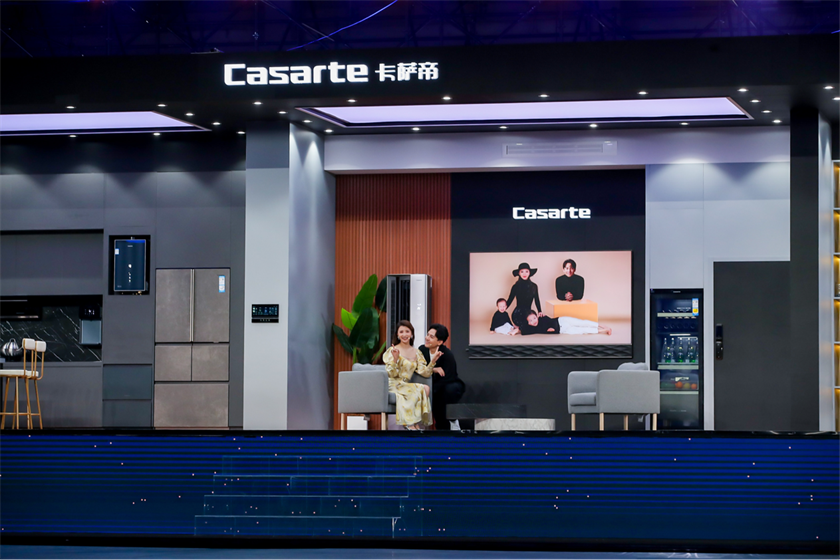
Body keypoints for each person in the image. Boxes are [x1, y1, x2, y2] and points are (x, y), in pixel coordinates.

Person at [382, 320, 439, 430]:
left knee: (426, 388)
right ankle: (410, 424)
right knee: (414, 391)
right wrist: (395, 359)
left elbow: (425, 373)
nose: (404, 334)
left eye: (407, 331)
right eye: (401, 332)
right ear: (397, 335)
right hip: (393, 384)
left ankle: (415, 422)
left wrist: (433, 361)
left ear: (411, 334)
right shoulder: (392, 350)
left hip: (405, 384)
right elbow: (391, 373)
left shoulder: (417, 352)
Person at [419, 324, 466, 431]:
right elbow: (419, 368)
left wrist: (433, 387)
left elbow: (448, 377)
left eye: (431, 337)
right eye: (427, 335)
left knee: (444, 392)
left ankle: (452, 422)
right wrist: (433, 369)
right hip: (429, 384)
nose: (427, 338)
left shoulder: (447, 355)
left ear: (439, 342)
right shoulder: (421, 350)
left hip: (447, 384)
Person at [506, 262, 544, 328]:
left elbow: (537, 300)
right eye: (522, 272)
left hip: (529, 314)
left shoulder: (534, 286)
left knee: (540, 322)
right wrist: (502, 309)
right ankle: (519, 329)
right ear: (519, 273)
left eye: (526, 271)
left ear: (529, 273)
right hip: (518, 314)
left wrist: (540, 311)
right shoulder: (515, 286)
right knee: (527, 327)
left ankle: (518, 329)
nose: (524, 274)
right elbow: (510, 300)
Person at [520, 310, 612, 336]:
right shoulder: (533, 329)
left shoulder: (542, 318)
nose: (534, 321)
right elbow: (524, 332)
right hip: (563, 330)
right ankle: (603, 330)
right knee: (582, 331)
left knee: (582, 323)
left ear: (537, 316)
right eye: (530, 321)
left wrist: (552, 328)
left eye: (534, 318)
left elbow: (550, 321)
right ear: (528, 323)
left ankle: (601, 325)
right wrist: (517, 330)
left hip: (562, 321)